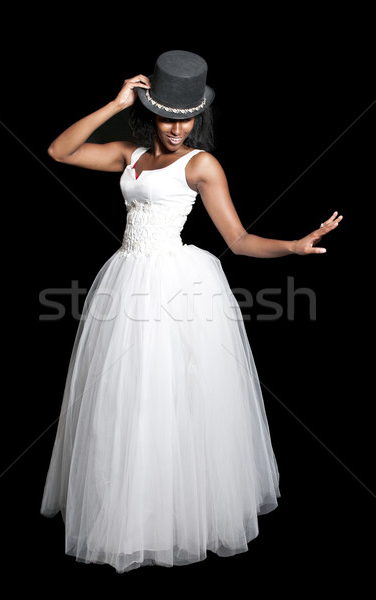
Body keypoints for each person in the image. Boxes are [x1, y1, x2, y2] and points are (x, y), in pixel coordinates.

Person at [40, 50, 342, 574]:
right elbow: (59, 151)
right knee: (124, 401)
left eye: (188, 118)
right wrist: (113, 103)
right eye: (168, 116)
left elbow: (240, 239)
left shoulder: (200, 164)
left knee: (169, 400)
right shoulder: (128, 156)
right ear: (149, 110)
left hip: (175, 288)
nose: (178, 128)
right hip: (127, 279)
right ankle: (129, 518)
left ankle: (173, 519)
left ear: (197, 117)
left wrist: (293, 247)